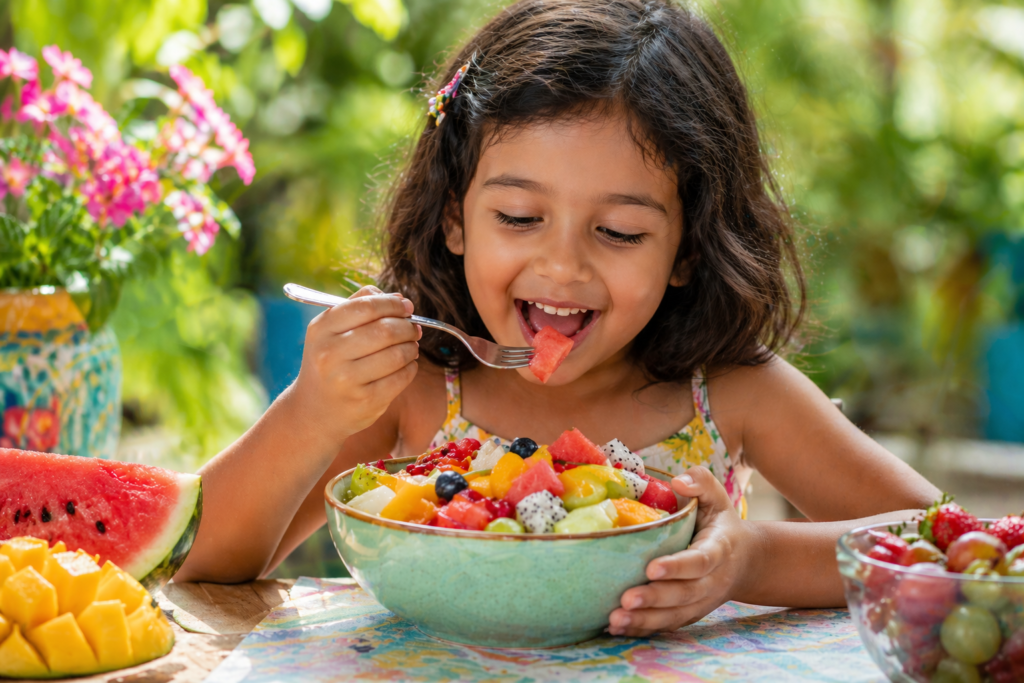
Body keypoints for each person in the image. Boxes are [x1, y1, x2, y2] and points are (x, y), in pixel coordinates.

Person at [176, 0, 940, 637]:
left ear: (686, 249)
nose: (564, 266)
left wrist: (751, 558)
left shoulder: (730, 390)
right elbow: (195, 562)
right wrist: (312, 412)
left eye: (619, 232)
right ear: (454, 218)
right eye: (518, 216)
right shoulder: (413, 382)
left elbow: (940, 542)